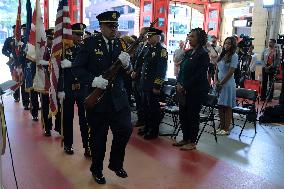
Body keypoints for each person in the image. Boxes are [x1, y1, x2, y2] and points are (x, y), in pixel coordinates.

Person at [73, 11, 132, 184]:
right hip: (98, 100)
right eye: (110, 26)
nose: (114, 29)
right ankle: (97, 169)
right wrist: (93, 80)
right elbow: (77, 68)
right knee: (99, 137)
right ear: (101, 27)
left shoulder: (121, 44)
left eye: (116, 26)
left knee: (125, 129)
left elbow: (128, 73)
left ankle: (115, 163)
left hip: (118, 99)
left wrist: (128, 65)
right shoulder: (90, 43)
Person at [173, 28, 210, 150]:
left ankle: (192, 142)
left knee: (192, 116)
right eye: (189, 36)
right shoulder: (188, 53)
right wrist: (179, 83)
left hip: (196, 91)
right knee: (183, 115)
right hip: (184, 90)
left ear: (199, 39)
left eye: (192, 36)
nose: (189, 38)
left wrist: (185, 85)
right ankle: (185, 138)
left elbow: (199, 75)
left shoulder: (203, 54)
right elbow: (182, 69)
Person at [57, 23, 91, 157]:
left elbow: (89, 67)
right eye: (77, 34)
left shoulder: (84, 48)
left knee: (85, 119)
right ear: (70, 34)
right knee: (68, 118)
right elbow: (57, 72)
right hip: (68, 88)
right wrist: (60, 89)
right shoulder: (63, 49)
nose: (80, 37)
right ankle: (68, 144)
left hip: (82, 88)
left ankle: (87, 145)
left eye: (81, 34)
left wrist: (72, 64)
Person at [138, 27, 168, 139]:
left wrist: (157, 85)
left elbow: (161, 70)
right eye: (148, 36)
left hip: (152, 85)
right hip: (145, 84)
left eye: (150, 37)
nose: (148, 38)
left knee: (153, 109)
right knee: (145, 107)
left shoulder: (162, 51)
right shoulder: (148, 48)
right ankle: (147, 127)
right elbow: (142, 63)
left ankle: (153, 131)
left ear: (157, 37)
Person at [215, 36, 238, 135]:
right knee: (220, 105)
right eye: (226, 43)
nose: (226, 45)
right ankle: (221, 126)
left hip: (227, 84)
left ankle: (226, 128)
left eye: (229, 43)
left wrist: (221, 83)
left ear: (233, 45)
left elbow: (231, 72)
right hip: (219, 83)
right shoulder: (221, 54)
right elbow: (217, 69)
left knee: (227, 106)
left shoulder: (234, 56)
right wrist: (216, 81)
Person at [131, 27, 149, 127]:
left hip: (141, 77)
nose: (140, 36)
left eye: (142, 34)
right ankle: (140, 119)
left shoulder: (148, 47)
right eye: (140, 34)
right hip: (135, 77)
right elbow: (135, 60)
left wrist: (136, 72)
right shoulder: (140, 46)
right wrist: (132, 70)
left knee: (143, 102)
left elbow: (144, 64)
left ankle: (144, 121)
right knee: (138, 100)